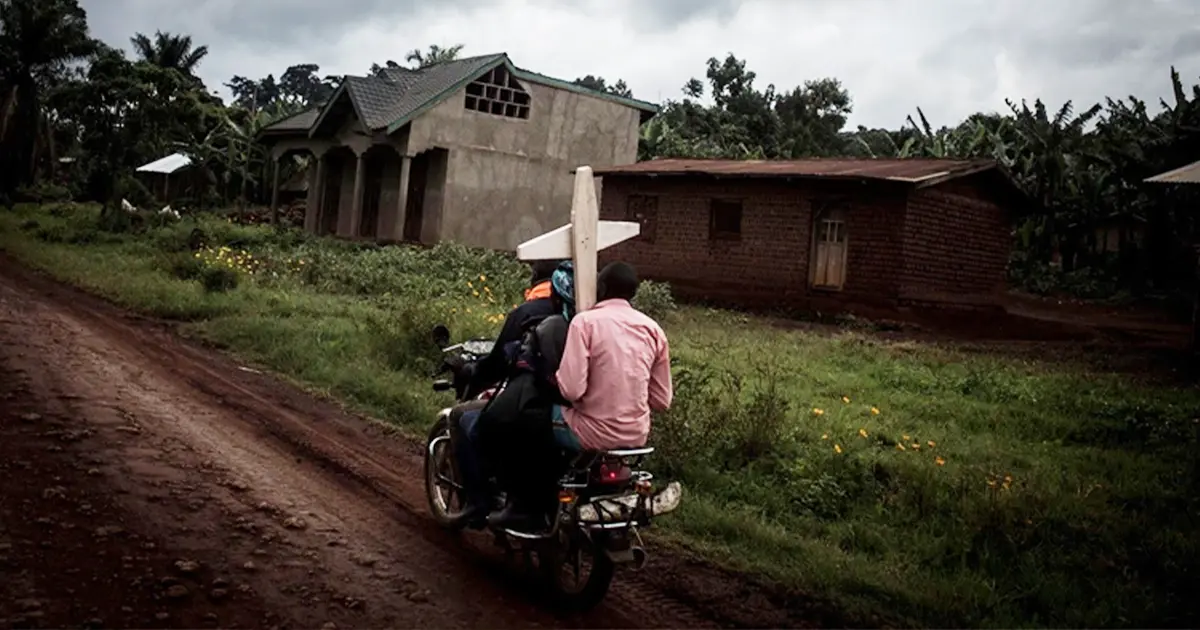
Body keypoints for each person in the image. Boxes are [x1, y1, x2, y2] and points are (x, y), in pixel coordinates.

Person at [449, 260, 568, 527]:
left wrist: (473, 372)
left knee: (467, 421)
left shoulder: (526, 313)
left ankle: (477, 504)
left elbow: (498, 363)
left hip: (531, 402)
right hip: (574, 406)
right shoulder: (584, 316)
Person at [554, 261, 673, 453]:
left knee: (536, 415)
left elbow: (572, 390)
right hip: (636, 436)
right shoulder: (653, 330)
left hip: (589, 433)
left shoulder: (584, 323)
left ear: (601, 288)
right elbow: (662, 400)